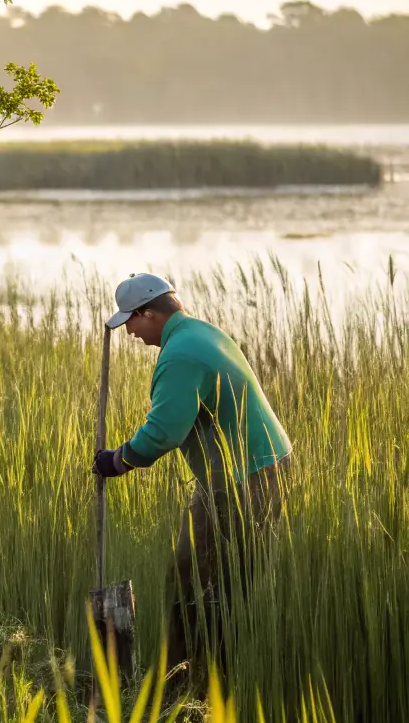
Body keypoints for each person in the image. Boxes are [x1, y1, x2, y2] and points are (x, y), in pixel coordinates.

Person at [92, 273, 293, 671]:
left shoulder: (180, 354)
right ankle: (185, 678)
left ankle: (189, 687)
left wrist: (119, 460)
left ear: (149, 313)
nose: (129, 332)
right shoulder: (201, 333)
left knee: (207, 589)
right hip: (255, 470)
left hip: (245, 480)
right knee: (190, 574)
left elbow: (165, 430)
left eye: (129, 321)